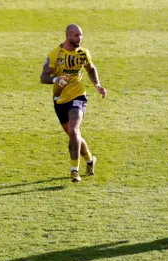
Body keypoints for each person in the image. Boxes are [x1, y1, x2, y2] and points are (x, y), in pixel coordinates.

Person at [40, 24, 107, 183]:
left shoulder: (83, 53)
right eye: (76, 36)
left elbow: (91, 69)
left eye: (81, 35)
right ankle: (90, 160)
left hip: (78, 96)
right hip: (60, 100)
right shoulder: (55, 54)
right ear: (68, 36)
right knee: (73, 134)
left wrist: (97, 85)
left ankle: (74, 170)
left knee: (74, 129)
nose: (80, 39)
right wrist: (56, 79)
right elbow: (43, 77)